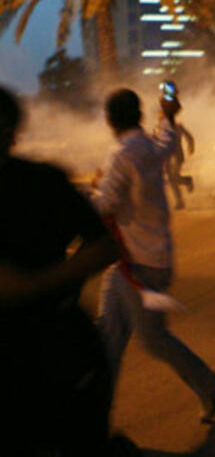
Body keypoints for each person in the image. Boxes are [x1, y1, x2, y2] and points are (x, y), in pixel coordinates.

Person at [0, 84, 119, 455]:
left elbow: (103, 245)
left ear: (10, 129)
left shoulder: (39, 183)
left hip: (49, 354)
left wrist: (35, 285)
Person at [91, 88, 215, 423]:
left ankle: (207, 382)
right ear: (139, 115)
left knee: (152, 340)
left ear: (109, 120)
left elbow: (103, 204)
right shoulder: (149, 145)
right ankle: (94, 420)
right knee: (109, 336)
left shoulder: (122, 154)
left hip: (140, 266)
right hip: (137, 262)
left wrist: (89, 189)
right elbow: (168, 138)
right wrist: (168, 115)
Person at [165, 120, 195, 209]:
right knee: (172, 179)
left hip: (177, 157)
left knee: (173, 178)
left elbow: (189, 137)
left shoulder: (178, 126)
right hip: (166, 158)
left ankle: (179, 201)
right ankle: (187, 181)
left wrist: (191, 146)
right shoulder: (160, 128)